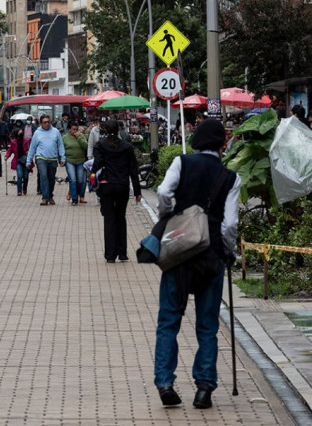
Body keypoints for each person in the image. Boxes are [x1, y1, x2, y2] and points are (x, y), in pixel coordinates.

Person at [153, 118, 241, 410]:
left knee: (169, 321)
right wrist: (228, 252)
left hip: (179, 254)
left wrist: (170, 216)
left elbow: (164, 193)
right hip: (211, 257)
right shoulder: (230, 177)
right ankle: (204, 388)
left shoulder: (181, 162)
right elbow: (229, 225)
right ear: (222, 144)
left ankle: (165, 382)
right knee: (207, 327)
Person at [91, 119, 141, 261]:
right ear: (119, 130)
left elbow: (97, 164)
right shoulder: (127, 146)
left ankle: (110, 255)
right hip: (122, 185)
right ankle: (122, 252)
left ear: (105, 130)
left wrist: (93, 172)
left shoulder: (100, 145)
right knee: (121, 217)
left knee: (109, 219)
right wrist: (137, 191)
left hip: (107, 184)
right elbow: (133, 170)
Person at [27, 115, 66, 206]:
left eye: (48, 122)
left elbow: (60, 146)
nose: (47, 124)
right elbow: (32, 147)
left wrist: (62, 158)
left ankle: (50, 196)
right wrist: (28, 160)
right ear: (41, 123)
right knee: (43, 176)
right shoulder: (37, 133)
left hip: (52, 159)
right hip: (41, 158)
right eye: (44, 122)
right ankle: (45, 197)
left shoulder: (56, 132)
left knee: (51, 179)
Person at [62, 123, 89, 205]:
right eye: (73, 129)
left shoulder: (81, 136)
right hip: (69, 161)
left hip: (81, 160)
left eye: (76, 129)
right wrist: (61, 160)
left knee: (81, 180)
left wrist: (79, 137)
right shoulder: (64, 138)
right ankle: (74, 199)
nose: (74, 131)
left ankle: (81, 195)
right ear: (69, 129)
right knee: (73, 180)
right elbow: (61, 149)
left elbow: (85, 146)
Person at [5, 128, 30, 196]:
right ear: (16, 133)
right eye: (19, 132)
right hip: (18, 161)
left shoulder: (26, 141)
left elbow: (30, 149)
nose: (21, 133)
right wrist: (6, 156)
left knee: (26, 176)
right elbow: (10, 151)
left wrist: (29, 152)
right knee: (19, 175)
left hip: (25, 161)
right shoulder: (13, 142)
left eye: (22, 132)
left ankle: (24, 188)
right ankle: (19, 191)